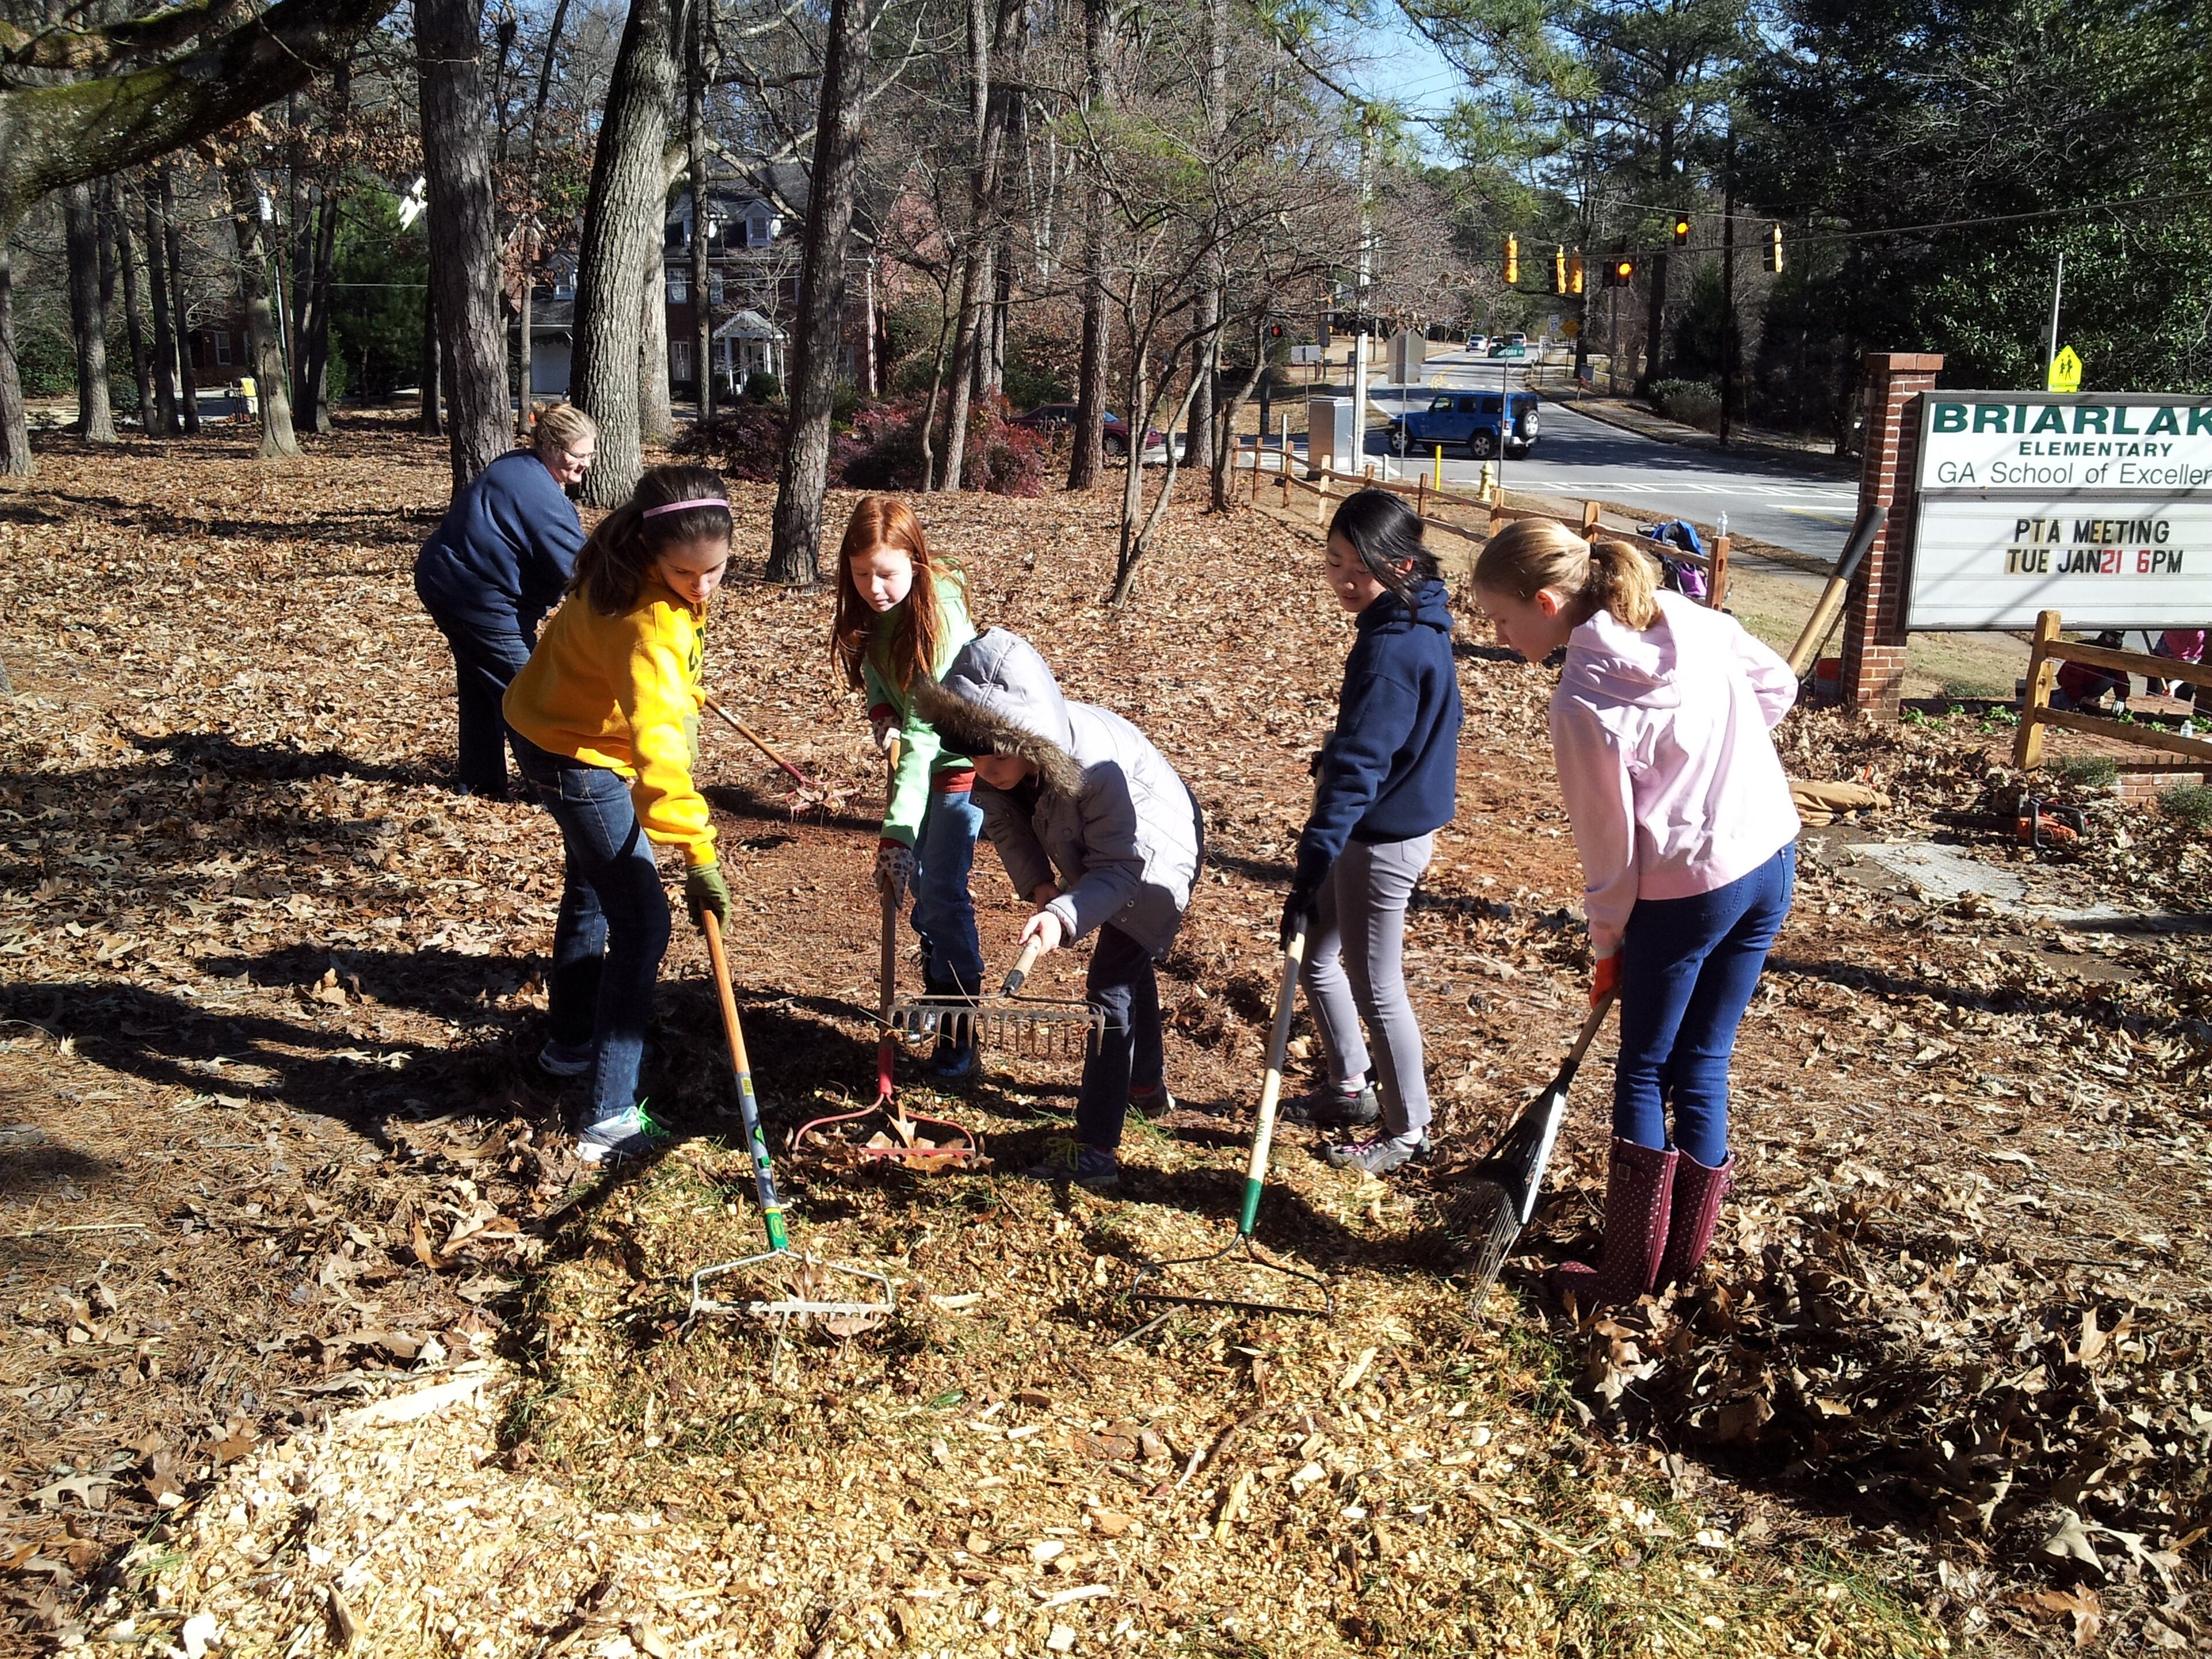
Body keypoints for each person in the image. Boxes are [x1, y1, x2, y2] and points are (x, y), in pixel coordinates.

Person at [1472, 520, 1799, 1307]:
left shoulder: (1584, 700)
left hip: (1688, 894)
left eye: (1501, 619)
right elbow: (1778, 686)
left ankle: (1622, 1285)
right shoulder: (1689, 621)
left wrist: (1609, 941)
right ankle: (1678, 1272)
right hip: (1771, 861)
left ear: (1549, 604)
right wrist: (1724, 767)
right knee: (1705, 1063)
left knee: (1646, 1070)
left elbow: (1610, 856)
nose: (1494, 634)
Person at [502, 465, 734, 1163]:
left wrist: (682, 692)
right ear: (650, 551)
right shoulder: (645, 620)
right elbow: (658, 759)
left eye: (715, 571)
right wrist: (699, 854)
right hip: (577, 756)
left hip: (546, 722)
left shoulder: (623, 561)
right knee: (642, 919)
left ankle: (571, 1046)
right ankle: (607, 1117)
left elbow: (653, 684)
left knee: (591, 888)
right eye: (686, 573)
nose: (701, 587)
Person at [915, 630, 1202, 1190]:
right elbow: (1005, 823)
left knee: (1111, 979)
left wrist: (1066, 915)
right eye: (975, 752)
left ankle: (1096, 1147)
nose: (985, 766)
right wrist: (1041, 888)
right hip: (1108, 851)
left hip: (1157, 845)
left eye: (996, 753)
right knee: (1127, 961)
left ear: (1028, 737)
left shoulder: (1091, 768)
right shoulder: (1008, 762)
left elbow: (1121, 871)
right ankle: (1144, 1087)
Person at [1278, 490, 1463, 1177]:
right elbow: (1393, 737)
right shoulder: (1419, 618)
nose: (1343, 580)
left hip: (1380, 841)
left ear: (1402, 562)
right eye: (1332, 563)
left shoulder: (1392, 647)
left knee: (1376, 982)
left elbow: (1360, 767)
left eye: (1359, 567)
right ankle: (1350, 1087)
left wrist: (1312, 862)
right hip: (1376, 824)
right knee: (1318, 954)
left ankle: (1408, 1128)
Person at [830, 496, 984, 1079]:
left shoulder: (937, 616)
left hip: (959, 767)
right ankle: (936, 986)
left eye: (888, 573)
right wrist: (879, 712)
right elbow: (875, 666)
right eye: (863, 573)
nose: (875, 587)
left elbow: (923, 739)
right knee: (922, 887)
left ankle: (958, 1024)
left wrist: (894, 835)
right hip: (920, 763)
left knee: (941, 892)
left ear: (916, 562)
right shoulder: (876, 607)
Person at [414, 403, 600, 796]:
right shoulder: (543, 501)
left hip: (447, 581)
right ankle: (556, 788)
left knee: (484, 682)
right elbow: (583, 575)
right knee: (531, 693)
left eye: (590, 454)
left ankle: (481, 783)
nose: (586, 464)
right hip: (473, 596)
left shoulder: (520, 465)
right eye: (577, 455)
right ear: (549, 446)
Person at [2147, 628, 2205, 702]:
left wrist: (2173, 685)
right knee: (2153, 699)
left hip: (2184, 666)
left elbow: (2192, 663)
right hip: (2160, 660)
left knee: (2181, 702)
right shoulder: (2170, 622)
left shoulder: (2198, 635)